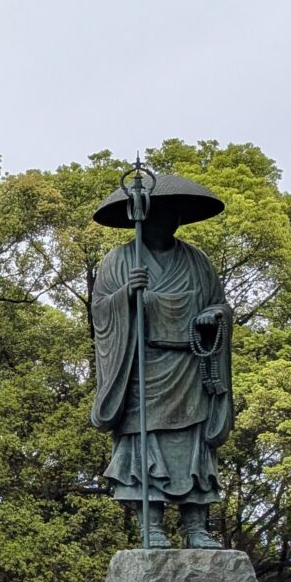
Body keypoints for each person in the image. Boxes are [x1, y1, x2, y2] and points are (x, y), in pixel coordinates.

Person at [89, 173, 233, 549]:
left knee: (193, 445)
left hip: (188, 369)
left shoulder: (197, 261)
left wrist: (213, 316)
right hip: (142, 367)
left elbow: (220, 304)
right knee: (143, 442)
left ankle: (197, 527)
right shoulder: (119, 260)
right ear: (145, 214)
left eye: (176, 215)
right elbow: (100, 311)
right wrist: (126, 294)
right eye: (163, 213)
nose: (171, 221)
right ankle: (150, 525)